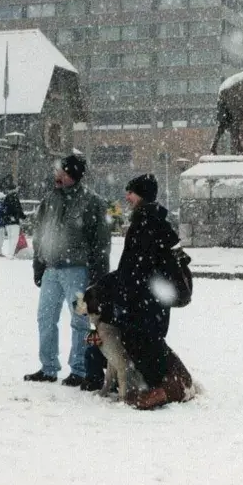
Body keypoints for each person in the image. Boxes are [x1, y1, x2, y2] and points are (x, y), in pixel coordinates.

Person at [81, 174, 194, 409]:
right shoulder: (157, 220)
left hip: (144, 299)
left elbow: (133, 269)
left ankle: (165, 388)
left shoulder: (144, 223)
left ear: (141, 195)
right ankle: (169, 384)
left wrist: (106, 286)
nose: (127, 196)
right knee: (150, 341)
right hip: (155, 297)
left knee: (142, 342)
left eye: (131, 192)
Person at [25, 153, 111, 386]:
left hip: (78, 272)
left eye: (61, 172)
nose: (57, 176)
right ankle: (48, 367)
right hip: (51, 270)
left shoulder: (92, 202)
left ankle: (80, 370)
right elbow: (40, 234)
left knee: (80, 321)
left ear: (73, 175)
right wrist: (38, 264)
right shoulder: (49, 200)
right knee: (45, 318)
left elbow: (101, 243)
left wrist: (98, 277)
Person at [0, 179, 27, 258]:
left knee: (10, 239)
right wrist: (22, 216)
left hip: (8, 222)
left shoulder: (6, 198)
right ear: (14, 189)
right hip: (14, 222)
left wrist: (6, 217)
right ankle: (11, 254)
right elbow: (18, 209)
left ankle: (10, 253)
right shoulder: (14, 197)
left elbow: (4, 210)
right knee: (14, 239)